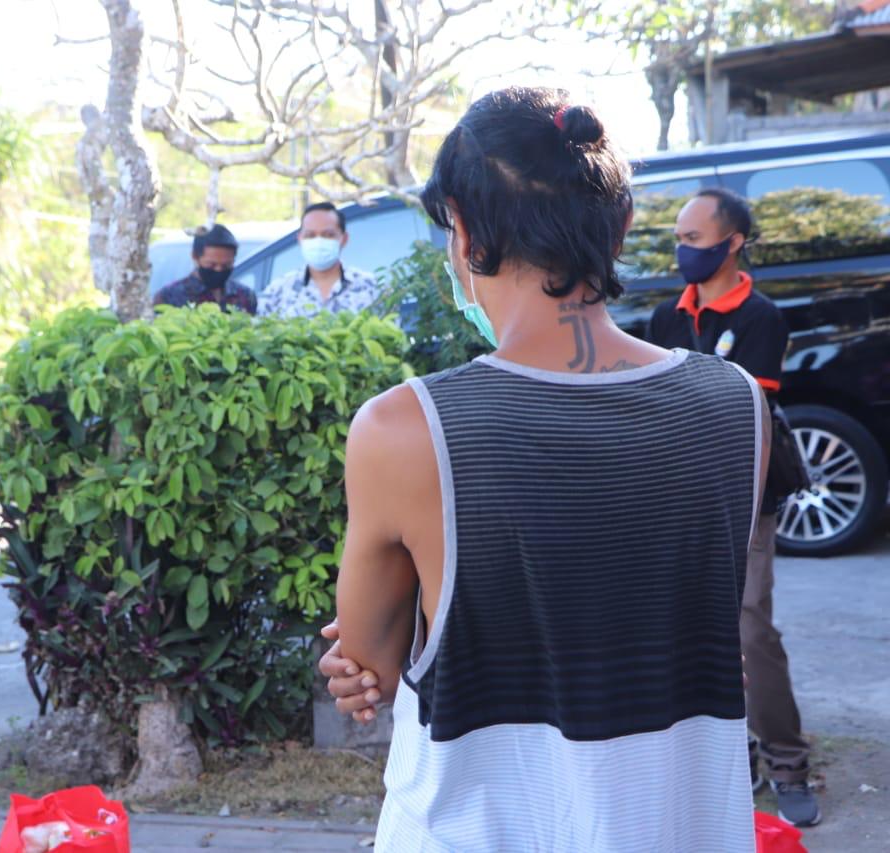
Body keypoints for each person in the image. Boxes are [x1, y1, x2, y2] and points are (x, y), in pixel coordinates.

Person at [317, 88, 767, 851]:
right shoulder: (738, 402)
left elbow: (368, 667)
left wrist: (363, 657)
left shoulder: (405, 428)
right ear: (623, 225)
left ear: (462, 230)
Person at [645, 188, 820, 827]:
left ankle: (788, 765)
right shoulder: (666, 317)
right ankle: (729, 759)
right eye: (679, 239)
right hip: (677, 498)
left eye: (693, 240)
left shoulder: (761, 317)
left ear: (733, 242)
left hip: (744, 496)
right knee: (688, 630)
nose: (682, 251)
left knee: (750, 629)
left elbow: (746, 415)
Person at [258, 202, 380, 317]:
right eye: (310, 235)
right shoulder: (278, 292)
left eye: (328, 235)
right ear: (300, 239)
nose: (319, 241)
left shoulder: (370, 288)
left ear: (344, 239)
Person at [152, 224, 257, 314]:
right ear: (195, 256)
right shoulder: (170, 296)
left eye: (226, 265)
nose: (219, 270)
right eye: (212, 265)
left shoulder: (245, 296)